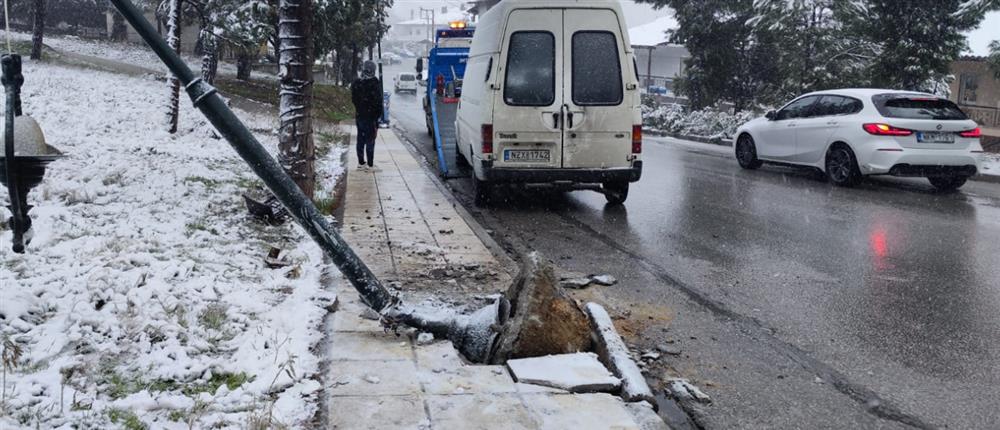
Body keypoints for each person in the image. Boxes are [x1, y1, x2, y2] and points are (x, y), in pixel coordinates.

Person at [351, 61, 384, 171]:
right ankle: (370, 164)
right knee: (370, 140)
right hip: (371, 117)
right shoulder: (374, 83)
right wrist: (377, 115)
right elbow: (378, 101)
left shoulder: (356, 83)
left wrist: (360, 108)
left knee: (360, 138)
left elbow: (354, 100)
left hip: (360, 115)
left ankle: (361, 162)